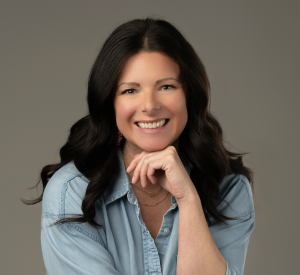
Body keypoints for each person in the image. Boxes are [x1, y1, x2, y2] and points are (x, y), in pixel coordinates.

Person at [26, 18, 255, 275]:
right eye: (130, 91)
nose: (149, 105)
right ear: (109, 104)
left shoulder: (228, 188)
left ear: (190, 95)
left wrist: (187, 199)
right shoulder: (71, 193)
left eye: (166, 86)